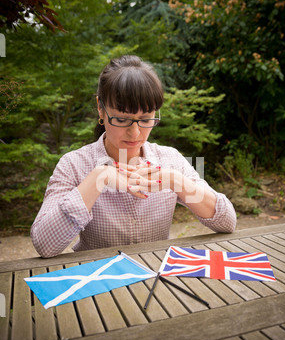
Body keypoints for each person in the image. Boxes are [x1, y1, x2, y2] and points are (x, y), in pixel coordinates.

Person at [31, 55, 236, 258]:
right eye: (121, 119)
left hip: (157, 280)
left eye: (146, 119)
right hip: (99, 282)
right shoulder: (74, 165)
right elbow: (44, 245)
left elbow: (227, 222)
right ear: (100, 109)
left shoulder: (170, 160)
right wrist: (97, 179)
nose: (135, 133)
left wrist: (176, 181)